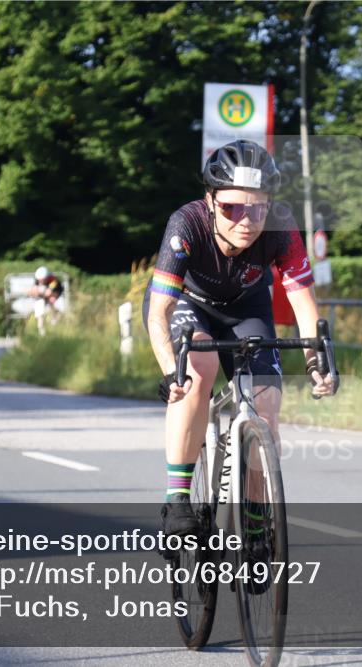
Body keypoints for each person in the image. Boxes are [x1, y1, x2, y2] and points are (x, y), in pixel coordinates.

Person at [142, 140, 336, 538]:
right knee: (199, 369)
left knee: (265, 404)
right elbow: (158, 312)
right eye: (231, 208)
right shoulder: (187, 223)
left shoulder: (282, 228)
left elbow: (304, 306)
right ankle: (177, 498)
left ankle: (256, 520)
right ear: (210, 201)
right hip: (189, 304)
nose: (245, 221)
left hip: (247, 308)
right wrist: (169, 371)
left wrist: (318, 364)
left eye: (257, 208)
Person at [17, 266, 66, 335]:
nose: (40, 281)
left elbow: (48, 293)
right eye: (39, 280)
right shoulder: (38, 280)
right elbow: (33, 290)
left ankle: (53, 324)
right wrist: (35, 292)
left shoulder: (53, 280)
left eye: (42, 280)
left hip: (56, 298)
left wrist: (37, 291)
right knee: (39, 304)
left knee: (50, 301)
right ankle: (41, 329)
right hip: (44, 298)